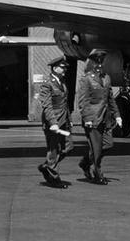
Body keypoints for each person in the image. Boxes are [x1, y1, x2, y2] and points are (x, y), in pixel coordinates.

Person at [77, 49, 122, 185]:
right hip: (93, 118)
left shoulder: (106, 78)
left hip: (106, 118)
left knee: (108, 144)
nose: (100, 65)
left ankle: (86, 162)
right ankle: (97, 174)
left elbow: (110, 98)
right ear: (93, 64)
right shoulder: (86, 79)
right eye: (97, 62)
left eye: (102, 62)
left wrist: (118, 115)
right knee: (96, 148)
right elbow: (83, 101)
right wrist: (87, 118)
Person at [37, 56, 73, 188]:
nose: (64, 70)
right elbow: (47, 105)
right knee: (53, 150)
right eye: (62, 67)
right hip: (53, 122)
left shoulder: (62, 82)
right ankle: (54, 179)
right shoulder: (48, 83)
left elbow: (64, 103)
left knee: (68, 147)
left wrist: (69, 119)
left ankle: (47, 166)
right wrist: (53, 122)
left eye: (65, 68)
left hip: (64, 121)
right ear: (54, 68)